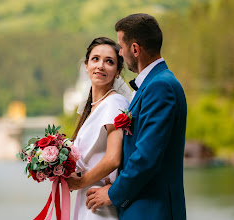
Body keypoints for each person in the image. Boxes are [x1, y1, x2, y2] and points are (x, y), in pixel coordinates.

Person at [86, 13, 187, 220]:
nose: (120, 53)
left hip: (151, 210)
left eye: (121, 47)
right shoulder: (156, 83)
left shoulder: (160, 86)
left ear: (135, 49)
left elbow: (146, 156)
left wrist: (113, 194)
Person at [66, 37, 132, 220]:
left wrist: (79, 183)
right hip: (88, 196)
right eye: (95, 59)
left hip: (99, 197)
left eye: (109, 61)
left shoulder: (114, 103)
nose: (100, 66)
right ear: (86, 66)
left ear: (118, 72)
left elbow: (113, 159)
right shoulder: (92, 107)